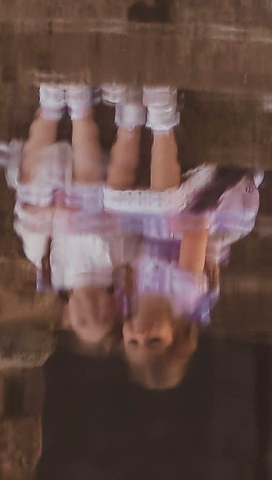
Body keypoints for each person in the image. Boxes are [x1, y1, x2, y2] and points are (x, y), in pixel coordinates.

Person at [106, 86, 262, 391]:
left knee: (113, 202)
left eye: (133, 342)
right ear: (177, 334)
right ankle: (162, 116)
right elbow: (195, 229)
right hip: (207, 212)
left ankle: (129, 116)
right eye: (154, 340)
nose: (140, 332)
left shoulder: (128, 299)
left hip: (156, 223)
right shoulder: (185, 294)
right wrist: (162, 214)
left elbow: (131, 247)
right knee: (164, 203)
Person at [0, 82, 148, 354]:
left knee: (31, 185)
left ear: (67, 317)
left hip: (53, 187)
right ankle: (88, 110)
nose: (91, 310)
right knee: (106, 187)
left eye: (83, 320)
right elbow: (132, 226)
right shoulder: (119, 265)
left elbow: (30, 225)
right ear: (115, 308)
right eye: (102, 317)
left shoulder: (49, 268)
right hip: (96, 186)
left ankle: (50, 107)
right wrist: (101, 214)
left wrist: (52, 213)